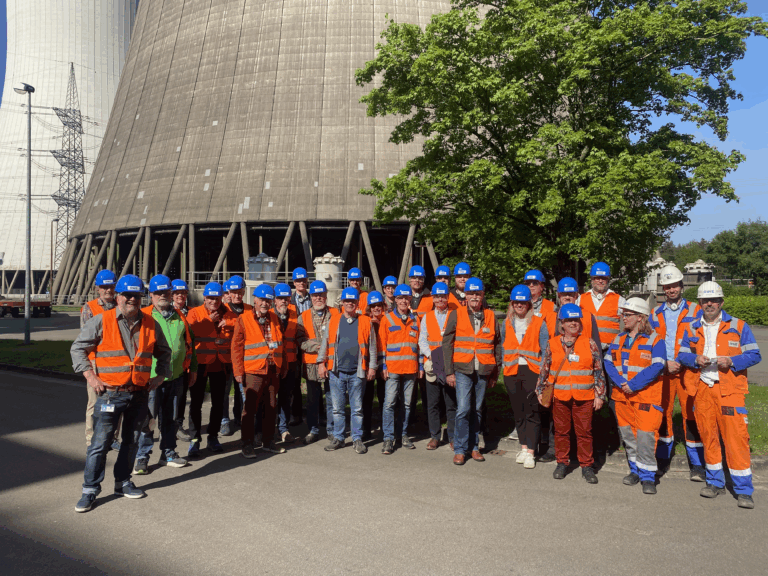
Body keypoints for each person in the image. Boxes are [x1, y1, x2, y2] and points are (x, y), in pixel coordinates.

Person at [70, 274, 172, 513]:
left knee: (131, 441)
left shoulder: (150, 323)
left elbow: (164, 351)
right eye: (127, 295)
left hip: (139, 393)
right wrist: (90, 376)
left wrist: (161, 375)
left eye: (136, 295)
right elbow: (78, 348)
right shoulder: (101, 320)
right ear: (118, 297)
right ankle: (90, 489)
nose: (131, 299)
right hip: (110, 394)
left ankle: (123, 482)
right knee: (100, 444)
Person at [678, 281, 762, 509]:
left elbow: (755, 355)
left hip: (729, 390)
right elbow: (681, 355)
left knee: (736, 440)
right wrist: (694, 359)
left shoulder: (739, 326)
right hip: (703, 388)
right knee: (709, 438)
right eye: (705, 300)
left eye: (714, 300)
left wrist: (732, 361)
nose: (710, 304)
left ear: (721, 302)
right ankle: (715, 483)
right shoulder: (691, 327)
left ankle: (743, 491)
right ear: (700, 303)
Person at [537, 304, 606, 484]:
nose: (573, 323)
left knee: (585, 433)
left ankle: (586, 466)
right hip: (560, 396)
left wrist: (599, 395)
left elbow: (598, 371)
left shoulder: (590, 343)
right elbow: (544, 369)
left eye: (576, 320)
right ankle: (562, 463)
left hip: (585, 397)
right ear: (562, 323)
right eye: (569, 320)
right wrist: (540, 390)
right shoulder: (552, 343)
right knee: (561, 432)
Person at [134, 275, 196, 474]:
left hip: (176, 376)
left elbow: (190, 344)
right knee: (148, 420)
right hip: (150, 379)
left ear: (171, 294)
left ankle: (168, 453)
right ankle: (142, 457)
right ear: (151, 295)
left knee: (171, 418)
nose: (162, 296)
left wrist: (192, 369)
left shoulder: (180, 316)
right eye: (158, 292)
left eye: (166, 292)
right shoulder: (143, 316)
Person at [604, 298, 666, 494]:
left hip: (646, 397)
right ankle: (635, 471)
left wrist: (633, 385)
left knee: (646, 437)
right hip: (622, 397)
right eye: (623, 314)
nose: (623, 318)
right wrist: (621, 383)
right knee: (629, 437)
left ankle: (648, 477)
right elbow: (608, 362)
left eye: (628, 315)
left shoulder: (655, 340)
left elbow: (657, 366)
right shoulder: (619, 338)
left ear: (640, 317)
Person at [648, 264, 705, 480]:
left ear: (681, 286)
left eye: (674, 286)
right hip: (665, 371)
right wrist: (664, 363)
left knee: (692, 415)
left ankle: (697, 465)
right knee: (663, 414)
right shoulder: (655, 313)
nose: (671, 290)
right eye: (667, 286)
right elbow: (650, 344)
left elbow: (703, 340)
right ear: (663, 289)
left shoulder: (696, 310)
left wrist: (686, 360)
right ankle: (662, 459)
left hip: (689, 371)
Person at [443, 277, 502, 465]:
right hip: (462, 369)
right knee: (463, 409)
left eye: (478, 293)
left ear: (482, 295)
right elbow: (447, 343)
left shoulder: (491, 316)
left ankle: (474, 446)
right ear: (466, 296)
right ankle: (460, 449)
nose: (474, 297)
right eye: (471, 293)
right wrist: (449, 371)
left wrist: (495, 373)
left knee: (477, 409)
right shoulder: (456, 314)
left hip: (483, 369)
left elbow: (497, 345)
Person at [317, 287, 377, 453]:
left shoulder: (365, 321)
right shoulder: (334, 320)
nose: (349, 303)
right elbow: (325, 343)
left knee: (357, 409)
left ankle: (357, 439)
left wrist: (372, 367)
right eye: (347, 301)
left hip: (358, 372)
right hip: (336, 372)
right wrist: (321, 363)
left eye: (353, 301)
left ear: (357, 303)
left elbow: (372, 346)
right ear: (342, 302)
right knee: (337, 408)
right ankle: (339, 438)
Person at [232, 284, 288, 458]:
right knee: (250, 410)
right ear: (255, 300)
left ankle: (268, 442)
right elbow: (236, 347)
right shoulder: (243, 319)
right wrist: (238, 371)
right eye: (262, 300)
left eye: (268, 301)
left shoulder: (275, 318)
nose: (265, 303)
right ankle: (247, 444)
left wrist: (283, 365)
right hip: (253, 371)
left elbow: (282, 344)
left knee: (271, 408)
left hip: (272, 369)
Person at [186, 282, 238, 456]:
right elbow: (189, 331)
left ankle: (213, 436)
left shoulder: (229, 313)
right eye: (210, 298)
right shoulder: (195, 313)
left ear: (222, 297)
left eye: (216, 298)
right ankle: (195, 439)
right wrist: (210, 321)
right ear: (204, 298)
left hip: (220, 363)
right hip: (199, 364)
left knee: (218, 403)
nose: (213, 301)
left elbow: (240, 325)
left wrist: (227, 322)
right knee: (196, 403)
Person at [500, 285, 549, 469]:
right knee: (518, 412)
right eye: (516, 302)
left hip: (532, 371)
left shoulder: (539, 322)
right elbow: (503, 345)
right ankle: (523, 447)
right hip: (511, 372)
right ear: (512, 304)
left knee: (532, 412)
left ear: (529, 304)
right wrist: (504, 364)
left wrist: (542, 375)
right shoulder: (506, 323)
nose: (519, 305)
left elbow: (545, 351)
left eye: (522, 302)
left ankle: (531, 452)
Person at [378, 284, 422, 454]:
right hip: (393, 369)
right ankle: (388, 438)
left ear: (410, 299)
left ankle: (403, 434)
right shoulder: (387, 319)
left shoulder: (416, 320)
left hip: (411, 369)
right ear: (395, 300)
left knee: (407, 404)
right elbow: (382, 345)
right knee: (389, 404)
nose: (404, 301)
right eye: (400, 298)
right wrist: (383, 366)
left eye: (406, 298)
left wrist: (420, 366)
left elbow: (419, 345)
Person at [298, 280, 339, 444]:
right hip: (311, 364)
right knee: (312, 400)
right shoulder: (303, 317)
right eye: (315, 295)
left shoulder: (336, 313)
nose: (318, 298)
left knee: (332, 398)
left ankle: (331, 430)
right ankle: (313, 430)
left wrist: (326, 350)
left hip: (332, 363)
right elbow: (301, 341)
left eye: (321, 295)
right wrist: (320, 347)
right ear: (311, 297)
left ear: (326, 295)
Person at [80, 269, 118, 449]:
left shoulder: (120, 305)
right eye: (104, 287)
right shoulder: (90, 308)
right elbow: (86, 338)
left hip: (118, 362)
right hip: (96, 361)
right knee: (95, 402)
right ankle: (91, 439)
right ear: (97, 288)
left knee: (116, 401)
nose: (108, 290)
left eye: (111, 286)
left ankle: (113, 438)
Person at [419, 282, 457, 450]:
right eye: (437, 296)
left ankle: (452, 437)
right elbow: (422, 340)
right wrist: (432, 356)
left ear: (448, 297)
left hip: (450, 365)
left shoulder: (455, 315)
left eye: (443, 296)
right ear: (433, 298)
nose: (440, 299)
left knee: (451, 403)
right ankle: (434, 436)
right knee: (433, 403)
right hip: (433, 364)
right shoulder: (427, 317)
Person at [221, 275, 251, 437]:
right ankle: (224, 421)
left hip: (244, 358)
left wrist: (229, 323)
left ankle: (242, 418)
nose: (237, 295)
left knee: (243, 390)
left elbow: (248, 326)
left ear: (244, 292)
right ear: (229, 293)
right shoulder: (222, 309)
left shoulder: (249, 309)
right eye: (234, 292)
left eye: (240, 292)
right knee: (225, 391)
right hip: (225, 357)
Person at [272, 283, 301, 443]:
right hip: (273, 364)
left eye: (286, 298)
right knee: (270, 398)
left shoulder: (295, 313)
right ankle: (268, 429)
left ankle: (283, 429)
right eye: (280, 298)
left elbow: (300, 335)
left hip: (290, 363)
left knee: (286, 397)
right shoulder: (269, 314)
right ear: (274, 300)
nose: (283, 301)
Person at [578, 262, 627, 350]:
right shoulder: (581, 299)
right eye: (597, 278)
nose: (600, 281)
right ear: (592, 279)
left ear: (608, 280)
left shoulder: (619, 300)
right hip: (587, 347)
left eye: (603, 278)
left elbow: (627, 324)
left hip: (611, 348)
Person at [362, 291, 387, 440]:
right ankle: (366, 430)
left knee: (385, 398)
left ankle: (385, 429)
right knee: (367, 398)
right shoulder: (364, 321)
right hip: (369, 364)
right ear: (369, 308)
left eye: (379, 305)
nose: (376, 308)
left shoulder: (388, 320)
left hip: (384, 363)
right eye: (373, 306)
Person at [171, 279, 193, 441]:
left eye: (183, 293)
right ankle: (164, 427)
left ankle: (178, 425)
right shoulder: (168, 312)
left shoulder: (192, 312)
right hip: (169, 362)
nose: (181, 296)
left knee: (181, 396)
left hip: (186, 362)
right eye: (177, 293)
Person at [289, 267, 311, 425]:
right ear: (294, 282)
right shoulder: (289, 300)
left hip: (311, 342)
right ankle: (296, 414)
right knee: (295, 380)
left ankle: (316, 414)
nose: (301, 283)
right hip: (295, 344)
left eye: (303, 280)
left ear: (307, 281)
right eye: (298, 281)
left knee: (313, 379)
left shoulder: (314, 297)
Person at [523, 269, 557, 338]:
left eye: (535, 283)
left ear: (542, 286)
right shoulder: (518, 305)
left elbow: (552, 332)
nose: (531, 285)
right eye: (528, 283)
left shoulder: (551, 306)